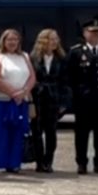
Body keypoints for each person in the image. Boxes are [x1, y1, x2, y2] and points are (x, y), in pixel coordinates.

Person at [68, 19, 98, 175]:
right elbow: (71, 77)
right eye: (92, 32)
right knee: (82, 134)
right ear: (85, 33)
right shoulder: (76, 52)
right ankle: (81, 163)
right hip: (84, 101)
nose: (95, 35)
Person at [0, 29, 35, 175]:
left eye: (15, 39)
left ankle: (14, 164)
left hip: (21, 100)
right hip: (0, 100)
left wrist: (24, 92)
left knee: (17, 132)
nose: (12, 42)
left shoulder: (25, 56)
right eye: (9, 39)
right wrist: (13, 93)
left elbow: (32, 76)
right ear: (3, 40)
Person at [30, 29, 67, 174]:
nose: (55, 42)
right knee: (37, 131)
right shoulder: (33, 58)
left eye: (56, 39)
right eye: (52, 39)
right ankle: (39, 162)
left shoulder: (62, 58)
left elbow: (65, 81)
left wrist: (64, 102)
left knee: (51, 132)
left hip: (54, 98)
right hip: (38, 98)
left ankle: (48, 161)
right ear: (43, 41)